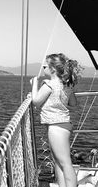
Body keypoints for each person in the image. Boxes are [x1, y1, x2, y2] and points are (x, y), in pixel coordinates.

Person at [29, 53, 82, 187]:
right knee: (58, 162)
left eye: (45, 66)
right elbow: (73, 104)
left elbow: (36, 101)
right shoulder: (65, 85)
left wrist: (34, 84)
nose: (43, 67)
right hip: (64, 125)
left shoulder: (49, 85)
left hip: (56, 127)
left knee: (65, 163)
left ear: (52, 69)